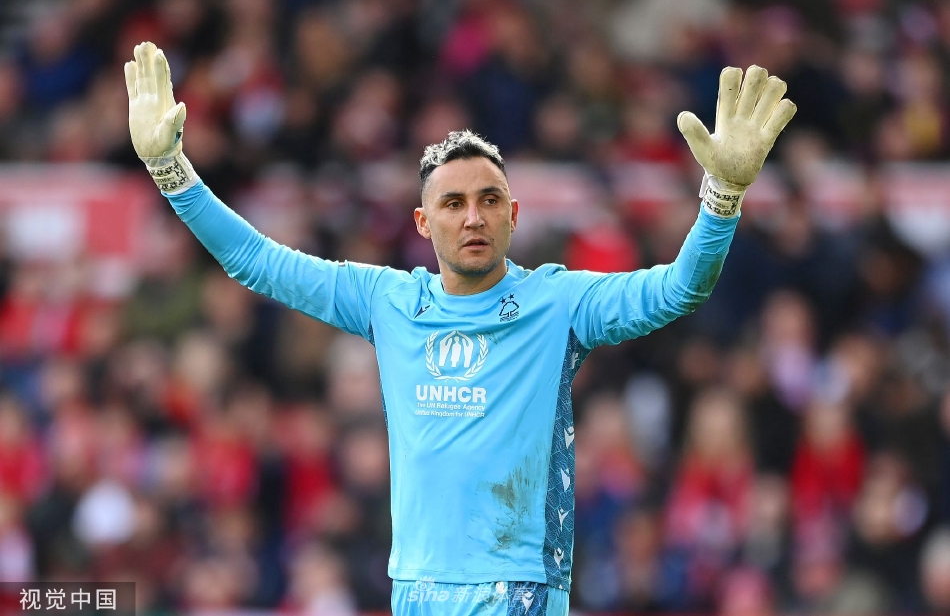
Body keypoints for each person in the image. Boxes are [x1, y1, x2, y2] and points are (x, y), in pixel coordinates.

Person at [125, 41, 796, 615]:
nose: (473, 217)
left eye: (488, 200)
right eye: (453, 203)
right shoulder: (387, 300)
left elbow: (679, 289)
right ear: (423, 223)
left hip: (515, 588)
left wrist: (722, 198)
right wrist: (169, 170)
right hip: (414, 588)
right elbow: (256, 261)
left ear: (513, 215)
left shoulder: (558, 302)